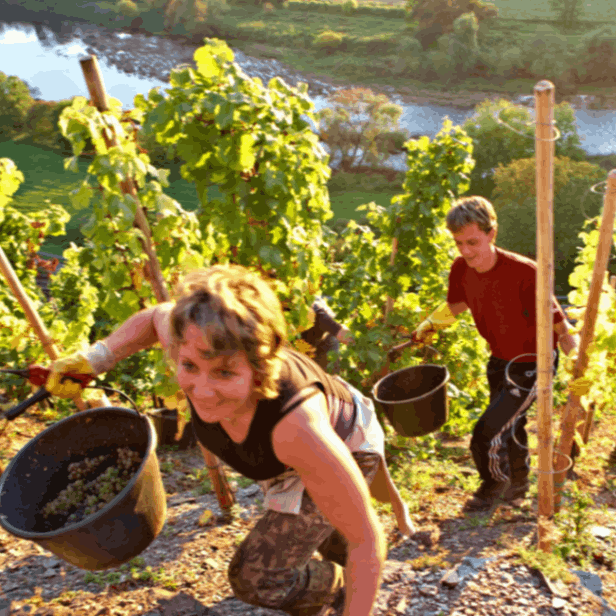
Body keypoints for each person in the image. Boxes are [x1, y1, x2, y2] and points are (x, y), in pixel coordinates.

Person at [45, 265, 414, 616]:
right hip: (292, 457)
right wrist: (95, 359)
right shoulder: (194, 342)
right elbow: (159, 314)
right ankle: (331, 557)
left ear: (259, 370)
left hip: (345, 441)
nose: (201, 391)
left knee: (258, 580)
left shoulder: (297, 430)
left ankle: (337, 587)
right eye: (189, 367)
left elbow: (365, 539)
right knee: (321, 531)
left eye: (223, 372)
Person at [410, 196, 585, 511]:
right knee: (512, 426)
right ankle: (517, 485)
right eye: (459, 243)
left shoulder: (524, 272)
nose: (465, 251)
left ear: (491, 233)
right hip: (498, 359)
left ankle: (493, 487)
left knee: (487, 432)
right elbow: (456, 306)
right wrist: (426, 328)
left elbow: (558, 322)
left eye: (472, 242)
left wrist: (576, 363)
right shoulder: (461, 269)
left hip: (534, 364)